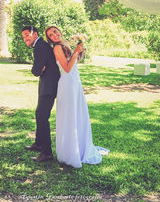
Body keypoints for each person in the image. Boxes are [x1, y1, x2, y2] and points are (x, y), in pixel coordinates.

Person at [45, 26, 109, 168]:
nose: (54, 35)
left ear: (59, 31)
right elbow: (66, 68)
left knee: (78, 114)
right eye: (50, 35)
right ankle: (70, 151)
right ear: (49, 39)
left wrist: (80, 51)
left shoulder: (64, 44)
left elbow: (74, 62)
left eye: (55, 31)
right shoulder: (57, 48)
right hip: (67, 84)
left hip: (75, 82)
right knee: (70, 116)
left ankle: (80, 146)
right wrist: (75, 52)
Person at [22, 26, 60, 162]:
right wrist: (40, 69)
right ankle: (38, 144)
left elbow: (36, 70)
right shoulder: (41, 45)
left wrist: (37, 70)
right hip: (46, 85)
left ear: (35, 34)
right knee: (39, 115)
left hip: (49, 87)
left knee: (42, 117)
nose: (25, 38)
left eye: (27, 35)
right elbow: (40, 68)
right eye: (23, 36)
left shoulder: (40, 46)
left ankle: (47, 152)